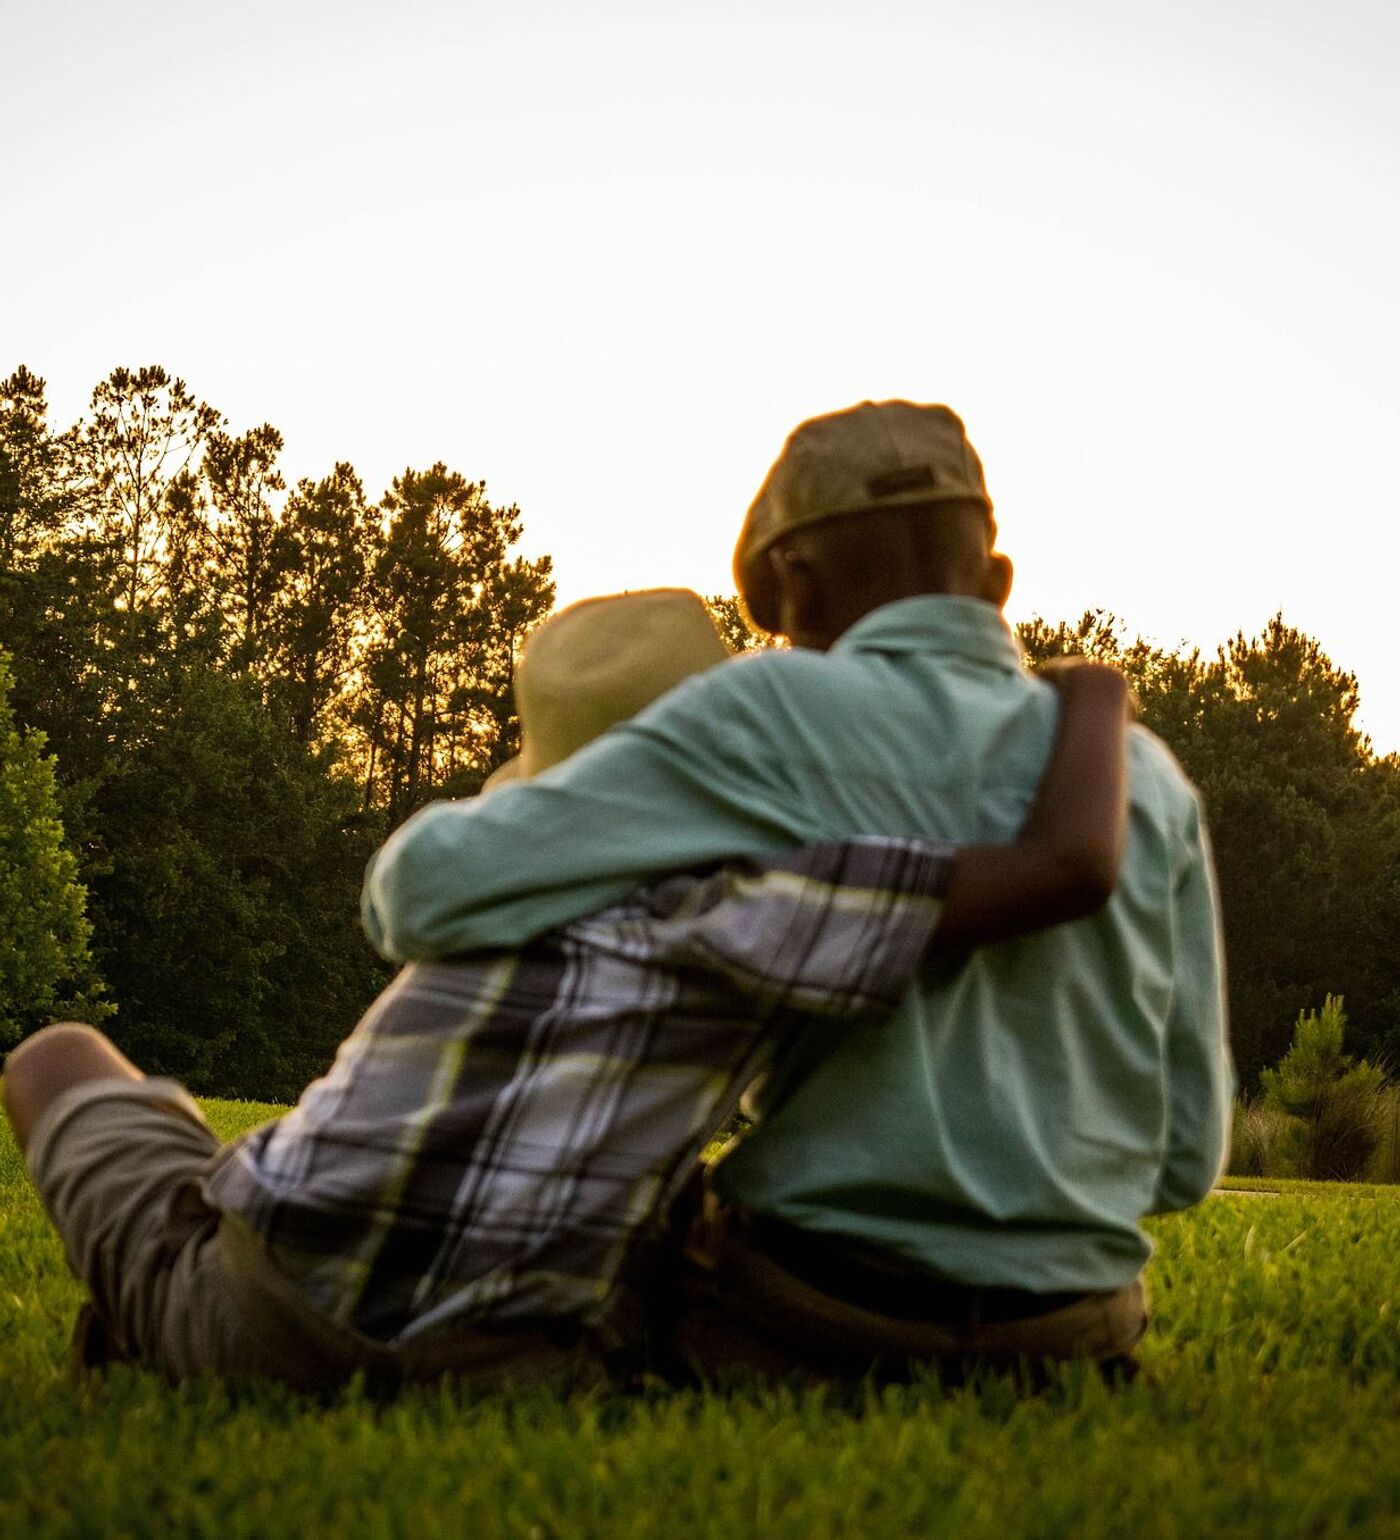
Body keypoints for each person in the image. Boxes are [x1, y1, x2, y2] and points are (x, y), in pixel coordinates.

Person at [2, 586, 1131, 1391]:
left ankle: (149, 1313)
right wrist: (1089, 694)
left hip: (257, 1306)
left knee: (54, 1057)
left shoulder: (488, 888)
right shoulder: (759, 900)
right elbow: (1064, 867)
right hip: (509, 1364)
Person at [361, 403, 1234, 1382]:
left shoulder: (766, 710)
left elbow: (417, 892)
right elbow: (1182, 1156)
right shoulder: (1146, 780)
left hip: (808, 1321)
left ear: (796, 584)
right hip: (1074, 1337)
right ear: (994, 583)